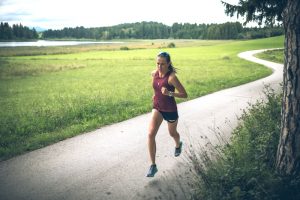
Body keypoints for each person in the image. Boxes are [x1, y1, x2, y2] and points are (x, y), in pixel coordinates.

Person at [146, 52, 188, 177]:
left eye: (163, 64)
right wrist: (156, 95)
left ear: (168, 63)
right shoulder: (154, 73)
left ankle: (178, 144)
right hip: (158, 108)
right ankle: (153, 165)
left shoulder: (172, 77)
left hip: (170, 110)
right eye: (157, 63)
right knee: (150, 134)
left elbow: (184, 95)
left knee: (172, 133)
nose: (159, 67)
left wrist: (169, 93)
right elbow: (156, 87)